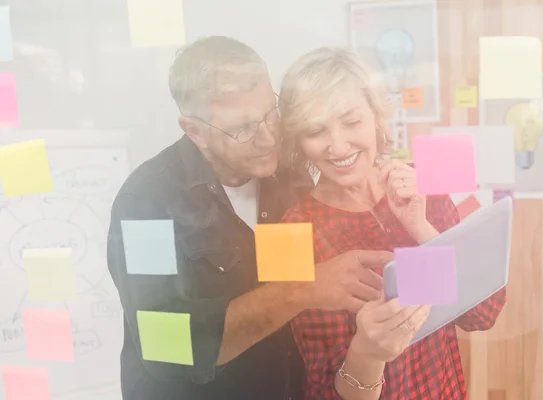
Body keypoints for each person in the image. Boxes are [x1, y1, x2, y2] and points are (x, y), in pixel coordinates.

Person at [107, 37, 394, 400]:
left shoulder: (289, 176)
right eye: (243, 128)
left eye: (270, 113)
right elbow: (165, 344)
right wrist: (301, 290)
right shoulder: (147, 203)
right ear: (195, 132)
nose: (269, 137)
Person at [278, 47, 507, 400]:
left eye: (351, 122)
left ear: (375, 116)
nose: (338, 146)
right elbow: (322, 390)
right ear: (299, 140)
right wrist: (366, 354)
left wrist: (421, 229)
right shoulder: (289, 235)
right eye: (315, 131)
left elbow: (483, 314)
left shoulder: (423, 186)